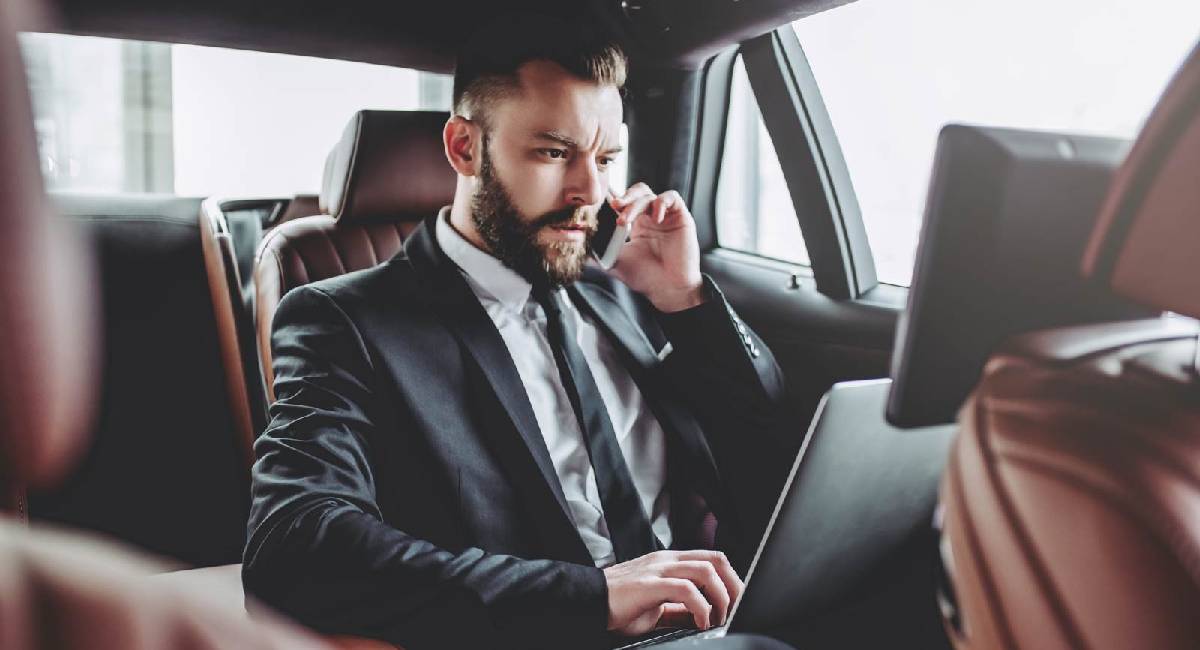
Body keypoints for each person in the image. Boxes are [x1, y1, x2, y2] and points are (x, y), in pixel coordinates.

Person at [243, 15, 788, 649]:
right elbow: (293, 545)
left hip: (724, 626)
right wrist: (596, 598)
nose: (591, 191)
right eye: (555, 153)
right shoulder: (344, 322)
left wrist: (684, 298)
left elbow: (774, 449)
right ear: (464, 148)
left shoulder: (630, 288)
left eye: (606, 158)